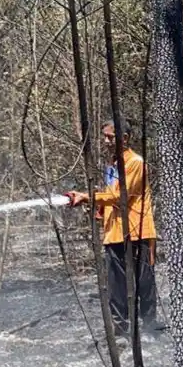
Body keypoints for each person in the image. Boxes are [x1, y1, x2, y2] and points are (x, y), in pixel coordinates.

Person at [66, 121, 158, 336]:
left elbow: (120, 196)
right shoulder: (112, 166)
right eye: (105, 137)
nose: (106, 141)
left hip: (138, 232)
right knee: (116, 288)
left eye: (110, 137)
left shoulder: (135, 163)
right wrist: (99, 207)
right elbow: (110, 197)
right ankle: (120, 332)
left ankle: (150, 330)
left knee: (144, 284)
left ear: (124, 138)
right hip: (114, 233)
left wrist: (87, 197)